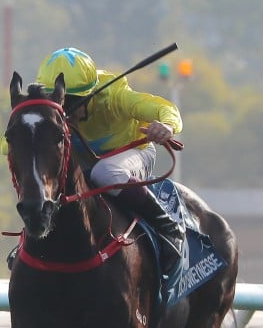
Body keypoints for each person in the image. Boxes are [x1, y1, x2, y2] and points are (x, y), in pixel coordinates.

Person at [35, 47, 185, 273]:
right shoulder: (48, 112)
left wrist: (167, 126)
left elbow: (165, 108)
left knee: (104, 172)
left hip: (133, 155)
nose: (64, 111)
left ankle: (167, 226)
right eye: (58, 100)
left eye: (72, 101)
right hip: (87, 163)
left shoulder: (115, 97)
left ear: (91, 94)